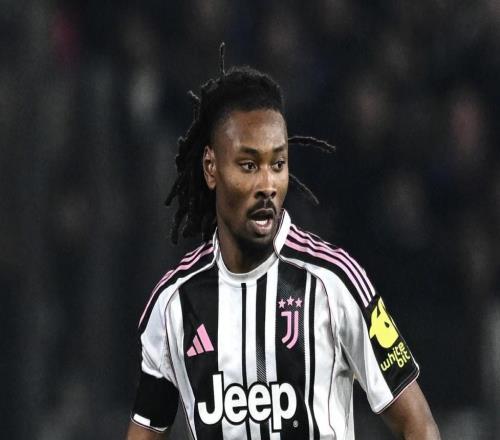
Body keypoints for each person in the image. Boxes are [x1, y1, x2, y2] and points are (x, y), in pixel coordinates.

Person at [126, 46, 440, 440]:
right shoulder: (175, 302)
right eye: (248, 165)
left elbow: (418, 425)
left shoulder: (334, 282)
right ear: (211, 167)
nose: (267, 185)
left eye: (277, 164)